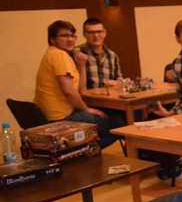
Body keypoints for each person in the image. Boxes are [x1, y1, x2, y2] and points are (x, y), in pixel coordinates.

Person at [33, 20, 123, 148]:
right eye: (64, 36)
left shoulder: (52, 53)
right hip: (61, 116)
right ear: (52, 39)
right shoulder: (60, 56)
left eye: (72, 36)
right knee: (119, 125)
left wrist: (81, 66)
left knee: (116, 120)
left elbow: (79, 89)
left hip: (50, 113)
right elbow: (69, 92)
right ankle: (85, 152)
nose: (70, 39)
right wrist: (87, 109)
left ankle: (84, 150)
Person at [76, 17, 122, 89]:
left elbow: (120, 80)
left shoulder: (112, 55)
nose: (96, 35)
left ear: (104, 33)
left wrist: (116, 83)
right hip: (85, 96)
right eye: (91, 32)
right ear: (84, 34)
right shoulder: (76, 52)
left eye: (99, 31)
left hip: (109, 95)